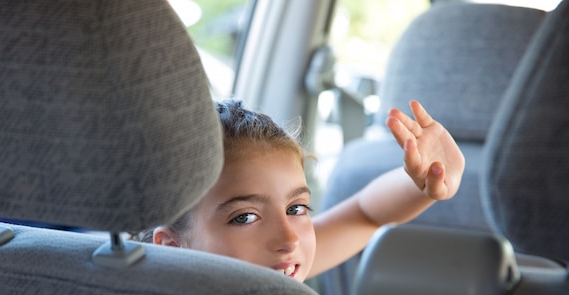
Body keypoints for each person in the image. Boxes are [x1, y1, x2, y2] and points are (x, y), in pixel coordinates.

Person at [132, 98, 465, 282]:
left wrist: (423, 185)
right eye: (245, 217)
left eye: (296, 209)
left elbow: (366, 212)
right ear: (173, 248)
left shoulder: (275, 264)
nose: (289, 239)